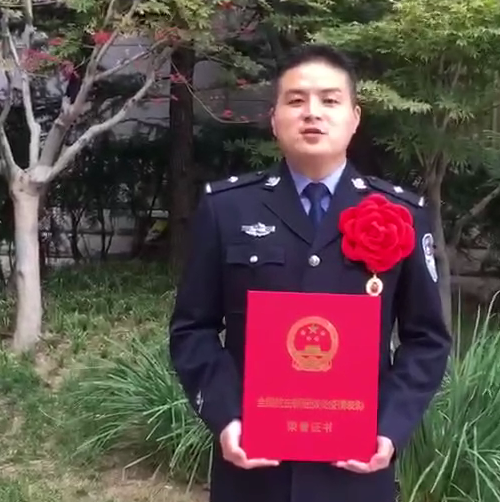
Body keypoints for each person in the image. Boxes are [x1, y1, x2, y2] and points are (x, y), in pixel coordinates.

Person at [168, 44, 451, 502]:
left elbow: (427, 339)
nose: (312, 113)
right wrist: (226, 417)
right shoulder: (227, 209)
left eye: (330, 100)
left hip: (355, 471)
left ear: (354, 118)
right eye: (296, 100)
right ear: (274, 118)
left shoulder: (401, 214)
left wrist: (389, 427)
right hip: (254, 471)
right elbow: (193, 329)